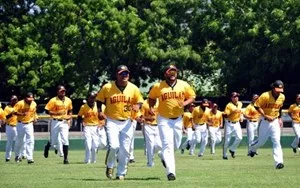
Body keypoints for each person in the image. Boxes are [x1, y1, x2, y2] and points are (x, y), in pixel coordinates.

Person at [148, 64, 196, 181]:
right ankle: (171, 172)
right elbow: (151, 98)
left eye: (174, 71)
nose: (173, 73)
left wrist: (184, 104)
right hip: (164, 119)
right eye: (170, 71)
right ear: (166, 73)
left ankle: (162, 155)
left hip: (178, 119)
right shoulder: (158, 86)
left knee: (176, 144)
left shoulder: (183, 84)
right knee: (168, 145)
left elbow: (192, 96)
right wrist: (151, 107)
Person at [96, 65, 143, 180]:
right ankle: (110, 165)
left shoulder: (133, 88)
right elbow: (99, 100)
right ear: (116, 75)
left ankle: (121, 173)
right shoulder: (107, 87)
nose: (124, 76)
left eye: (126, 73)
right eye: (122, 73)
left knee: (125, 150)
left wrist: (138, 105)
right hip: (112, 120)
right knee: (113, 146)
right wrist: (99, 111)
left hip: (128, 121)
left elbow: (140, 101)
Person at [249, 80, 285, 169]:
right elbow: (257, 106)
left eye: (280, 90)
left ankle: (278, 162)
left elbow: (280, 108)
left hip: (275, 121)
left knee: (276, 141)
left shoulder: (282, 97)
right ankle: (252, 148)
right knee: (261, 142)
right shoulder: (265, 95)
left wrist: (280, 118)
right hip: (264, 121)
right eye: (277, 90)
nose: (278, 92)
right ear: (273, 88)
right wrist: (265, 115)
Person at [44, 85, 73, 164]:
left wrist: (69, 117)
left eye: (64, 91)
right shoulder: (53, 100)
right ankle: (47, 146)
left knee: (65, 140)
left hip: (64, 122)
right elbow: (46, 110)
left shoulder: (68, 100)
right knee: (53, 142)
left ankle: (66, 159)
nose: (63, 92)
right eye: (61, 91)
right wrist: (56, 113)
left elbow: (70, 110)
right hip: (55, 121)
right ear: (57, 92)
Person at [77, 92, 106, 164]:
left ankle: (93, 159)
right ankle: (87, 160)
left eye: (93, 98)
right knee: (88, 144)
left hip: (97, 126)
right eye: (91, 97)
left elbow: (106, 116)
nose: (92, 99)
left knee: (96, 145)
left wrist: (103, 123)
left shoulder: (101, 106)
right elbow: (79, 117)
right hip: (88, 126)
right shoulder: (83, 107)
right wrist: (82, 122)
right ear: (87, 98)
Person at [14, 92, 37, 164]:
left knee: (31, 140)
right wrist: (22, 114)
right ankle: (17, 155)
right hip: (20, 123)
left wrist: (35, 118)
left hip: (29, 124)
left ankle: (30, 158)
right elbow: (14, 112)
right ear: (25, 98)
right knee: (20, 140)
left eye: (31, 98)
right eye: (29, 98)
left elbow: (34, 112)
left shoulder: (34, 103)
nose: (30, 100)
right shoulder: (20, 103)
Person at [141, 94, 162, 167]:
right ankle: (150, 163)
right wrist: (148, 118)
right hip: (148, 125)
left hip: (158, 126)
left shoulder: (160, 102)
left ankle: (158, 154)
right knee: (150, 145)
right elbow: (141, 116)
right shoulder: (145, 104)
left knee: (159, 145)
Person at [223, 92, 243, 160]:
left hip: (237, 123)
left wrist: (241, 116)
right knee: (227, 140)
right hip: (229, 123)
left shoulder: (240, 103)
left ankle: (232, 149)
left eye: (237, 96)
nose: (236, 98)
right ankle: (224, 155)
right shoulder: (229, 105)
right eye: (234, 96)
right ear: (231, 98)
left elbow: (240, 111)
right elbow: (225, 115)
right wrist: (231, 112)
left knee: (239, 138)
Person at [4, 95, 18, 162]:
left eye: (15, 100)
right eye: (13, 100)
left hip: (17, 126)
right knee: (9, 142)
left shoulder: (18, 107)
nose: (14, 101)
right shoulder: (7, 107)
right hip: (10, 126)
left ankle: (17, 156)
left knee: (18, 142)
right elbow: (5, 117)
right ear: (11, 100)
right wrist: (12, 113)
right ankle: (7, 157)